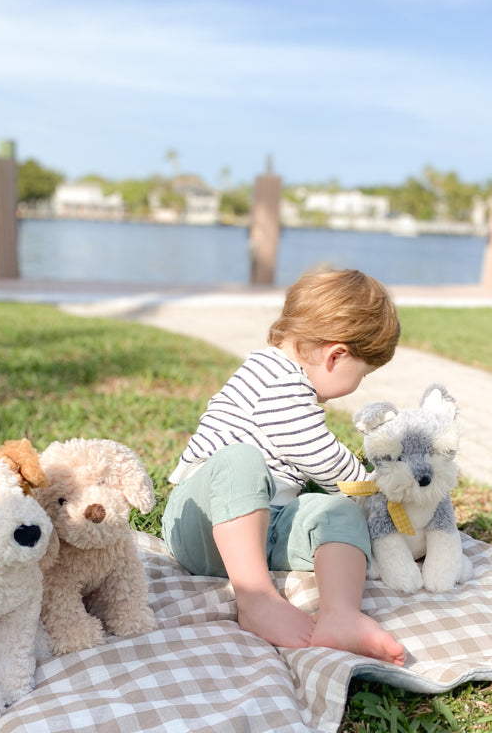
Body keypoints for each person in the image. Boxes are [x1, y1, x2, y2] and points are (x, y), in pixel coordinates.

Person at [162, 268, 406, 666]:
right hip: (201, 524)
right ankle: (255, 597)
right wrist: (368, 486)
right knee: (242, 460)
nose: (357, 385)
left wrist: (350, 505)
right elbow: (316, 453)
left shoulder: (292, 383)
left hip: (263, 531)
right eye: (362, 374)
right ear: (336, 355)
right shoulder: (277, 378)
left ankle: (340, 613)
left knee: (335, 511)